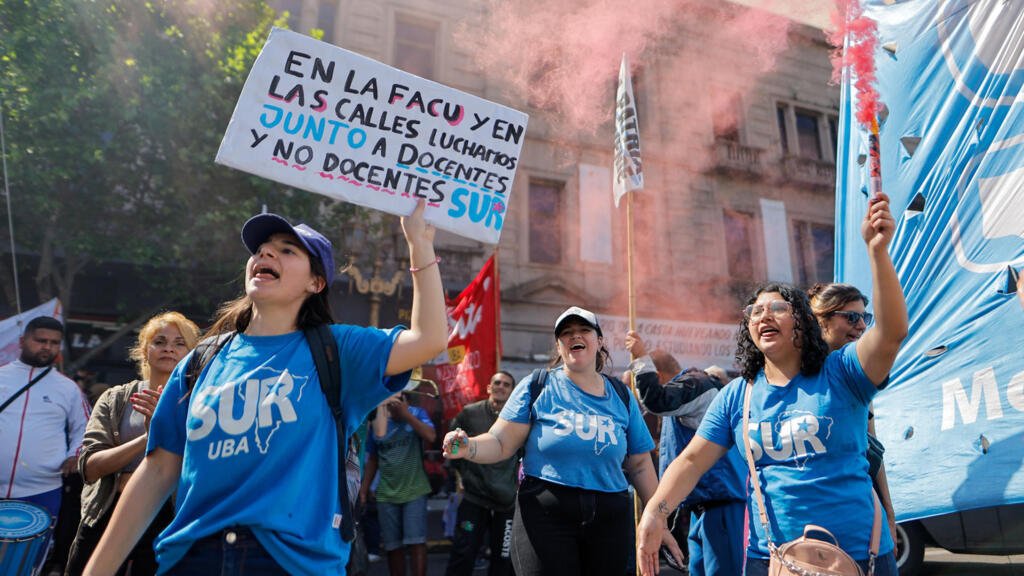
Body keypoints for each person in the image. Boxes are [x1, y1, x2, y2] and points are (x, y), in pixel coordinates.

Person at [84, 201, 447, 575]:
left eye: (287, 250)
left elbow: (429, 338)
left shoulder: (338, 350)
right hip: (193, 558)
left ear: (315, 282)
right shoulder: (200, 361)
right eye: (260, 249)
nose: (266, 253)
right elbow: (158, 472)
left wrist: (419, 244)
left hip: (291, 563)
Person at [637, 193, 907, 576]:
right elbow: (693, 461)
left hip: (860, 556)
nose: (764, 314)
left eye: (777, 307)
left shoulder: (842, 372)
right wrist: (654, 513)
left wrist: (878, 252)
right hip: (773, 560)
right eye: (756, 310)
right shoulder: (737, 396)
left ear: (802, 322)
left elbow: (893, 333)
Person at [443, 306, 683, 576]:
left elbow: (639, 464)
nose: (574, 336)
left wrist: (658, 520)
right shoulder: (537, 386)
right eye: (566, 333)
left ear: (599, 341)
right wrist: (467, 447)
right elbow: (500, 443)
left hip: (609, 518)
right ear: (558, 346)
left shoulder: (622, 395)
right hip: (545, 515)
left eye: (583, 330)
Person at [66, 311, 201, 575]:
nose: (169, 349)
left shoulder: (201, 404)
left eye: (179, 343)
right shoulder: (115, 399)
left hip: (168, 519)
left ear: (192, 353)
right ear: (144, 350)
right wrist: (147, 438)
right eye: (160, 341)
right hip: (106, 512)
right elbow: (89, 468)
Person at [625, 334, 746, 576]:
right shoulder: (690, 393)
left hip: (722, 504)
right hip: (702, 506)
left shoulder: (695, 384)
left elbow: (655, 400)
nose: (637, 396)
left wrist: (640, 357)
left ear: (658, 376)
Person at [808, 282, 900, 542]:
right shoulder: (792, 377)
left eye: (864, 317)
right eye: (851, 317)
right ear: (820, 320)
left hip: (859, 510)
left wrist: (889, 515)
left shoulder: (858, 377)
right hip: (809, 516)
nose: (861, 326)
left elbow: (872, 452)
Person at [1, 316, 90, 518]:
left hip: (42, 489)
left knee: (33, 550)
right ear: (22, 342)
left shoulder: (69, 388)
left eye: (54, 343)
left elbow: (86, 428)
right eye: (41, 341)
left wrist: (75, 455)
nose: (47, 347)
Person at [444, 371, 519, 576]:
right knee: (463, 553)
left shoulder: (518, 419)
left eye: (506, 384)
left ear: (512, 391)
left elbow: (524, 456)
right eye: (497, 382)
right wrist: (461, 479)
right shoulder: (470, 413)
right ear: (488, 387)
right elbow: (453, 449)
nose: (501, 387)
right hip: (474, 498)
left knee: (504, 559)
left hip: (506, 502)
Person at [360, 390, 436, 576]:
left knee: (416, 541)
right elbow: (373, 459)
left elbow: (431, 437)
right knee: (393, 546)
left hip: (414, 490)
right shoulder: (379, 421)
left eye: (397, 398)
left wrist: (406, 415)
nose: (392, 403)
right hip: (386, 493)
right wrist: (364, 490)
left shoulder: (417, 413)